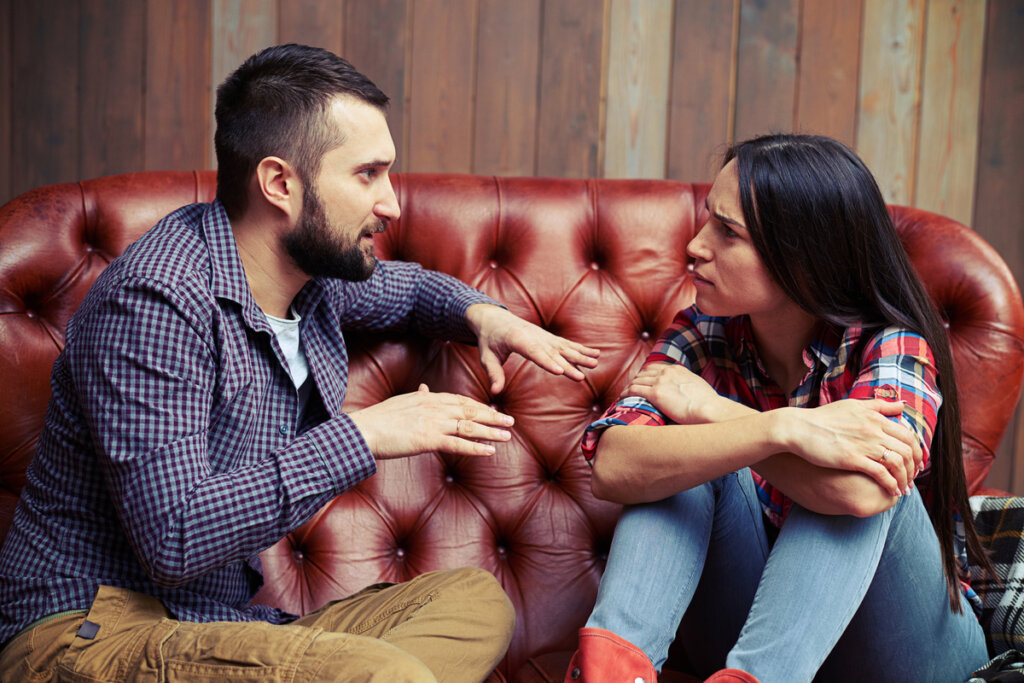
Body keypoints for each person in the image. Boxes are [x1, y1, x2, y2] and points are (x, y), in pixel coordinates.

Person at [0, 44, 600, 682]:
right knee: (380, 674)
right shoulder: (156, 302)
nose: (392, 204)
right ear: (280, 183)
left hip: (214, 629)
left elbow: (416, 291)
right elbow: (174, 538)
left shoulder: (311, 278)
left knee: (475, 604)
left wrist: (487, 316)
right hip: (88, 632)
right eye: (367, 175)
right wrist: (366, 434)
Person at [563, 134, 992, 683]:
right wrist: (786, 430)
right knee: (678, 467)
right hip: (757, 635)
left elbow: (862, 494)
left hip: (908, 650)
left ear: (803, 260)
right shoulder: (700, 334)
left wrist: (723, 414)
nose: (695, 246)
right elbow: (614, 465)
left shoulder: (890, 344)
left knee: (858, 482)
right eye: (706, 221)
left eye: (727, 232)